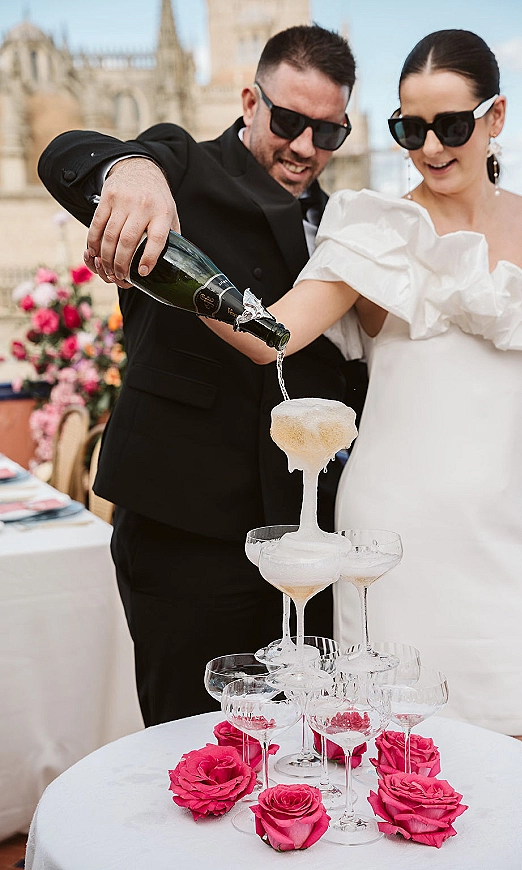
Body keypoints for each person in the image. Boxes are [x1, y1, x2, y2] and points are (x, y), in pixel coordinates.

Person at [200, 29, 522, 767]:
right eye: (411, 128)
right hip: (392, 548)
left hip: (513, 546)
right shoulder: (376, 228)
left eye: (452, 125)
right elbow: (269, 336)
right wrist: (165, 266)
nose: (431, 147)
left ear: (495, 118)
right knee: (389, 767)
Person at [38, 25, 367, 726]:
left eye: (328, 133)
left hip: (304, 540)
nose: (306, 148)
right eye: (287, 122)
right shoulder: (180, 167)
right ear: (249, 100)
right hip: (185, 534)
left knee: (292, 746)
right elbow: (66, 155)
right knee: (192, 746)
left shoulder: (346, 220)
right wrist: (128, 170)